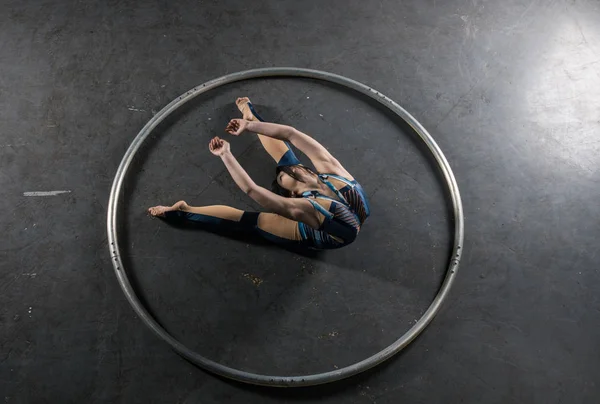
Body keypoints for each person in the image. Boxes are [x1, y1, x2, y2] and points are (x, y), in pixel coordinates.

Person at [148, 97, 370, 250]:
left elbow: (289, 136)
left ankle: (251, 118)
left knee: (254, 214)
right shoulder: (313, 194)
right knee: (255, 215)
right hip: (337, 225)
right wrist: (236, 139)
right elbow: (254, 186)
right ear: (292, 195)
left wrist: (237, 140)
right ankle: (184, 211)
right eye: (284, 177)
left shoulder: (320, 183)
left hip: (335, 222)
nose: (285, 171)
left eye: (284, 176)